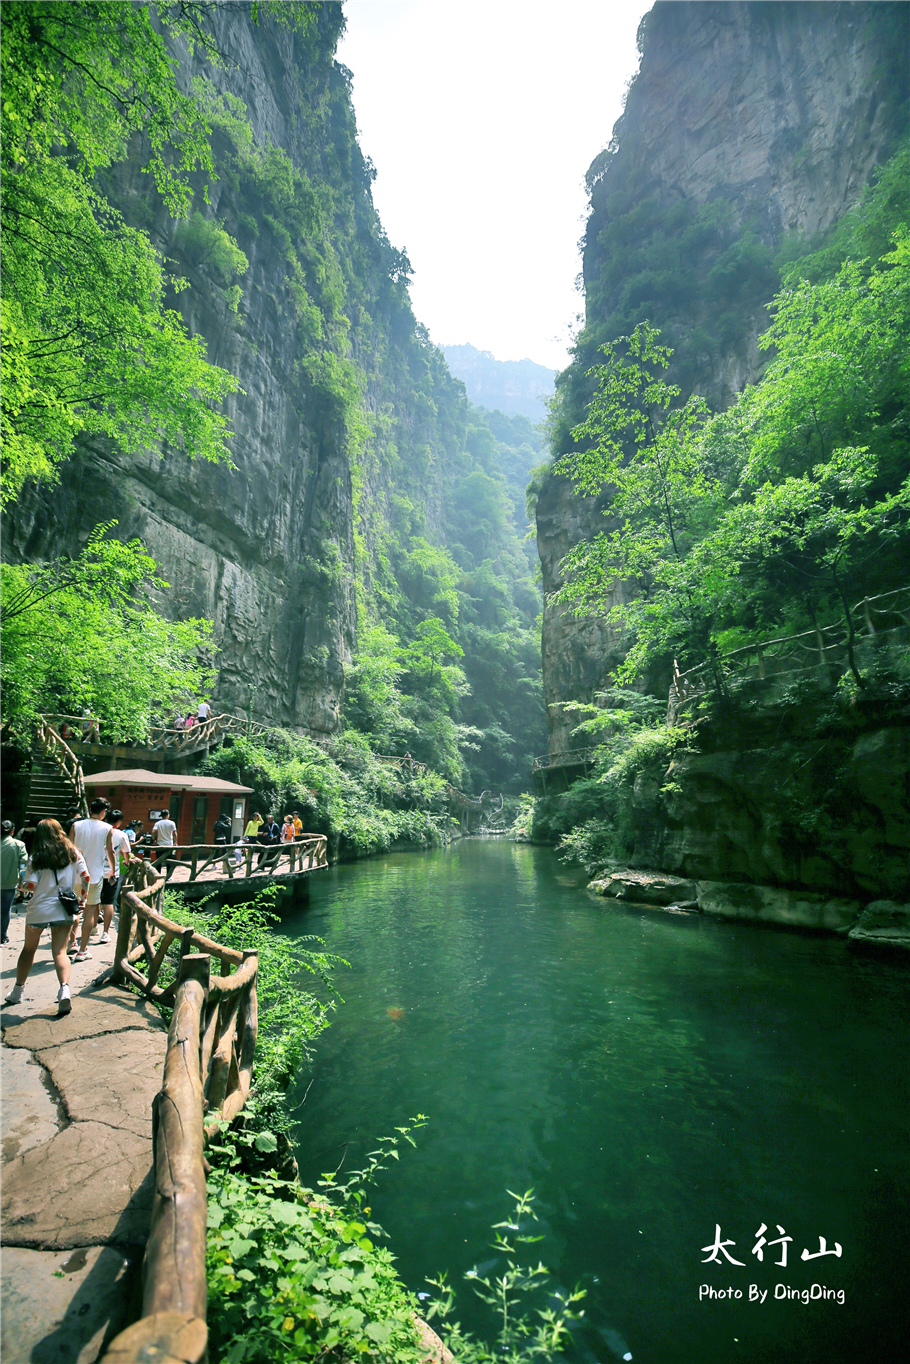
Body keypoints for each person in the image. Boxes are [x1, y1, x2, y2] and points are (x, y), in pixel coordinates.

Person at [4, 820, 88, 1014]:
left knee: (29, 949)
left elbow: (30, 886)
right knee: (60, 952)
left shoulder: (37, 857)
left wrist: (21, 886)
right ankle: (64, 990)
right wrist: (82, 899)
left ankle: (17, 991)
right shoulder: (74, 853)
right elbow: (86, 878)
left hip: (39, 909)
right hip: (63, 909)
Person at [69, 799, 116, 961]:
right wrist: (112, 871)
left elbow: (69, 849)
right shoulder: (107, 828)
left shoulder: (76, 826)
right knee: (89, 912)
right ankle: (82, 951)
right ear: (104, 811)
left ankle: (72, 942)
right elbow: (110, 852)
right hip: (95, 875)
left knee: (73, 910)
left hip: (74, 874)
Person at [99, 809, 132, 945]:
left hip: (96, 871)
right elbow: (126, 852)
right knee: (108, 902)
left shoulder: (100, 831)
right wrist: (127, 861)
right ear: (119, 822)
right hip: (112, 873)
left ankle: (93, 927)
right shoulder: (121, 834)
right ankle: (105, 933)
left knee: (94, 902)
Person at [1, 819, 27, 944]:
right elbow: (23, 866)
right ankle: (2, 936)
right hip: (9, 884)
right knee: (5, 911)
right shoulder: (18, 845)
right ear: (12, 831)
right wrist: (23, 882)